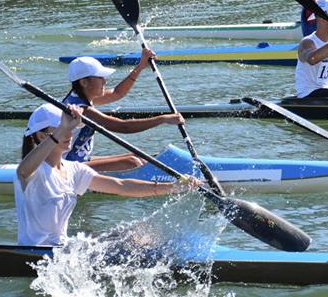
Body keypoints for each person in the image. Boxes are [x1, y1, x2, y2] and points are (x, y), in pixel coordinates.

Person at [15, 103, 196, 246]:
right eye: (61, 129)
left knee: (138, 236)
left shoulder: (74, 170)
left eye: (70, 129)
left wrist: (173, 187)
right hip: (37, 253)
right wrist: (62, 129)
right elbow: (22, 171)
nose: (69, 134)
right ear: (40, 136)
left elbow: (121, 186)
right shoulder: (33, 171)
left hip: (63, 248)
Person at [63, 53, 185, 172]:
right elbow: (123, 126)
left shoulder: (81, 96)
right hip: (67, 167)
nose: (105, 82)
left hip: (79, 160)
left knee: (139, 156)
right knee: (132, 163)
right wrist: (162, 119)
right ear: (84, 82)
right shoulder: (80, 109)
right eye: (100, 78)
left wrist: (141, 66)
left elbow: (117, 93)